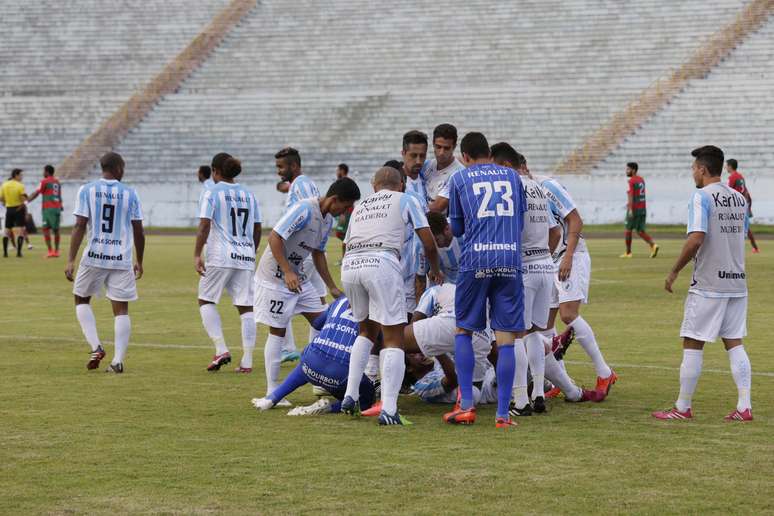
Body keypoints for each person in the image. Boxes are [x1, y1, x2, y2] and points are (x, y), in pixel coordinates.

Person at [654, 146, 753, 421]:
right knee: (734, 342)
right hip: (737, 282)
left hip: (709, 283)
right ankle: (745, 406)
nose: (692, 173)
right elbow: (740, 234)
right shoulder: (738, 198)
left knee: (692, 342)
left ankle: (682, 407)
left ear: (702, 169)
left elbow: (697, 238)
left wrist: (674, 270)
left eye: (694, 168)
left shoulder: (701, 197)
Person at [340, 166, 442, 425]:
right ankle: (390, 409)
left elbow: (344, 243)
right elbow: (428, 240)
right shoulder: (406, 199)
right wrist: (436, 269)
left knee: (365, 331)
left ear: (374, 186)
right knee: (394, 337)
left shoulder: (361, 206)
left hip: (350, 265)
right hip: (382, 261)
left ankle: (350, 396)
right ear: (401, 185)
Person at [444, 132, 527, 428]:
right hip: (509, 259)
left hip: (475, 260)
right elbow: (519, 220)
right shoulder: (513, 177)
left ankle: (466, 404)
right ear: (489, 153)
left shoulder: (459, 179)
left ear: (464, 157)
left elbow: (456, 228)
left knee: (464, 330)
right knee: (506, 340)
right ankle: (503, 414)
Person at [255, 177, 361, 405]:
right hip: (275, 278)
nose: (344, 212)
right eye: (345, 207)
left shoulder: (327, 221)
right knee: (278, 331)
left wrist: (331, 286)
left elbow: (318, 253)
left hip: (298, 279)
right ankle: (272, 390)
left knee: (324, 321)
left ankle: (319, 374)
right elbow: (275, 237)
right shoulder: (304, 209)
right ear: (335, 200)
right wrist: (287, 271)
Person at [491, 142, 560, 415]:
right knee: (534, 332)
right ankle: (539, 392)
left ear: (506, 165)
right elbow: (556, 232)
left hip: (525, 267)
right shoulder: (539, 188)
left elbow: (509, 227)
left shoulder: (512, 188)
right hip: (545, 265)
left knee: (514, 333)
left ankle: (520, 400)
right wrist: (543, 255)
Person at [534, 172, 618, 396]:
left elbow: (576, 219)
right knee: (543, 324)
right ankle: (562, 382)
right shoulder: (525, 190)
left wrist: (568, 257)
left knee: (568, 315)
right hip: (549, 260)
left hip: (570, 256)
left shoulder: (547, 186)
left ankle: (604, 372)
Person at [65, 152, 144, 373]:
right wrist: (140, 259)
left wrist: (71, 259)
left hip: (94, 256)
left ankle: (96, 346)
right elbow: (139, 229)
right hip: (121, 258)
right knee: (121, 309)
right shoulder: (130, 193)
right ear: (118, 168)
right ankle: (118, 361)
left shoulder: (87, 190)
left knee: (81, 298)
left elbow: (80, 225)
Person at [251, 295, 378, 415]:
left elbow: (317, 323)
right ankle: (329, 407)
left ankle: (272, 398)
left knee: (309, 360)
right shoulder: (378, 307)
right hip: (340, 371)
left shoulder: (341, 300)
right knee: (367, 397)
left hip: (312, 362)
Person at [194, 157, 262, 373]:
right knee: (245, 306)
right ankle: (248, 361)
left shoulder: (211, 192)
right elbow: (257, 227)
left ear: (215, 171)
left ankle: (221, 348)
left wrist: (197, 254)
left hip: (220, 255)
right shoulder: (249, 195)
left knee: (205, 300)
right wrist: (251, 250)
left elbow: (204, 224)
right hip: (245, 255)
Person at [273, 146, 327, 361]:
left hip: (302, 251)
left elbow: (313, 213)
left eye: (281, 167)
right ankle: (318, 347)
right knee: (317, 302)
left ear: (294, 166)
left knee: (284, 296)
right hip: (307, 249)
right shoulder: (301, 183)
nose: (278, 171)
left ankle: (289, 348)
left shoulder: (302, 184)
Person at [421, 123, 465, 214]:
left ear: (454, 147)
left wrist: (411, 209)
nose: (441, 152)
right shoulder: (426, 165)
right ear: (433, 144)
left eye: (446, 148)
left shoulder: (459, 174)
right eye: (438, 147)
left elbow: (437, 208)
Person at [621, 162, 659, 258]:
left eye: (628, 169)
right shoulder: (641, 180)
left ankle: (628, 252)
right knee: (640, 231)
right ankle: (653, 245)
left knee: (628, 230)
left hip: (634, 208)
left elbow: (631, 195)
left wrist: (630, 209)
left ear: (633, 170)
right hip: (642, 208)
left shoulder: (631, 181)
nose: (626, 171)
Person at [26, 164, 63, 257]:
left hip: (48, 209)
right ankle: (56, 251)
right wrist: (60, 206)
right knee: (56, 230)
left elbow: (36, 193)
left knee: (46, 229)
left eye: (43, 171)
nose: (43, 173)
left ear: (47, 172)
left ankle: (50, 251)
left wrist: (27, 201)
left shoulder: (44, 181)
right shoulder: (57, 182)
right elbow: (59, 195)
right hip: (56, 208)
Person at [726, 159, 760, 253]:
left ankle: (733, 247)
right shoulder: (740, 176)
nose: (725, 167)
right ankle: (755, 247)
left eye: (726, 165)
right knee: (745, 227)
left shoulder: (732, 177)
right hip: (744, 202)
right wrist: (748, 204)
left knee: (732, 224)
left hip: (737, 204)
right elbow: (744, 190)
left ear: (730, 166)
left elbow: (727, 192)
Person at [1, 169, 28, 258]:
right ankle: (19, 252)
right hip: (18, 209)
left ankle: (5, 253)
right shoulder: (20, 186)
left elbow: (1, 198)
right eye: (21, 175)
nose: (22, 177)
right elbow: (24, 199)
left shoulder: (4, 185)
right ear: (16, 175)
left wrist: (6, 202)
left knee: (7, 230)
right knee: (20, 231)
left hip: (9, 209)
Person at [401, 130, 429, 209]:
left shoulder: (429, 178)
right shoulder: (394, 183)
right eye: (413, 155)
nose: (418, 161)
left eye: (422, 156)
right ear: (403, 153)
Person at [334, 164, 352, 260]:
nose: (336, 172)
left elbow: (347, 199)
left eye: (338, 170)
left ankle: (346, 257)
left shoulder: (346, 182)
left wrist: (343, 213)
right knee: (342, 234)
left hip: (346, 212)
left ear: (342, 170)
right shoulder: (342, 181)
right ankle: (345, 257)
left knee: (342, 234)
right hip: (343, 211)